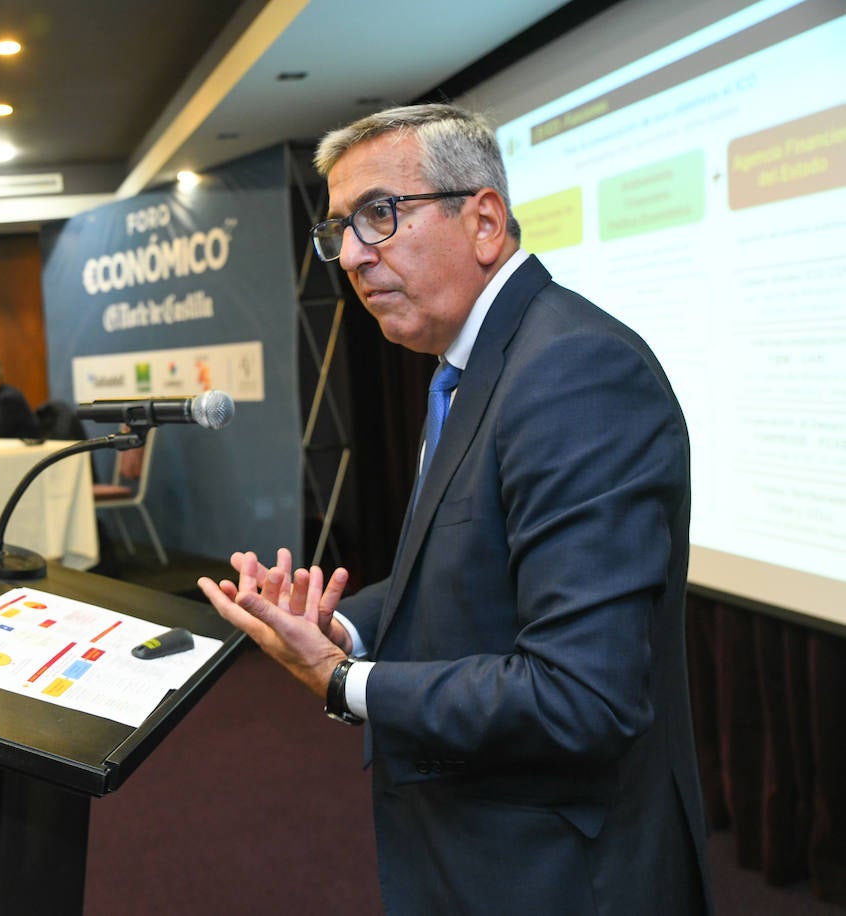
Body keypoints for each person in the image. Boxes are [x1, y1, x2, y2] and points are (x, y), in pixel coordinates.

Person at [197, 104, 710, 914]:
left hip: (565, 874)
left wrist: (346, 683)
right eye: (341, 231)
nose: (356, 257)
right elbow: (467, 575)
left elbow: (582, 696)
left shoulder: (571, 371)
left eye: (380, 214)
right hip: (486, 845)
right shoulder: (469, 367)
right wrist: (341, 628)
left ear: (484, 220)